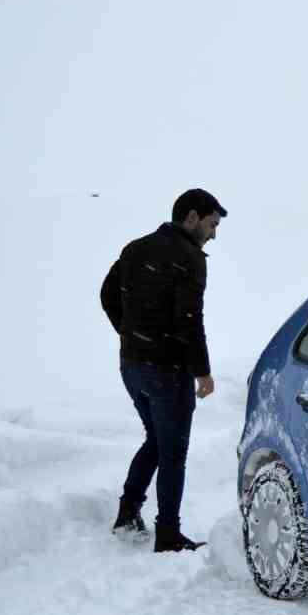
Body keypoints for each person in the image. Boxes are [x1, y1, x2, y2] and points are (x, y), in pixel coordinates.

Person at [99, 188, 225, 552]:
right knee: (172, 452)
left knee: (156, 440)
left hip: (132, 367)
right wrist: (202, 371)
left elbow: (107, 295)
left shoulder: (135, 248)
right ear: (191, 217)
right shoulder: (189, 258)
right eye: (211, 224)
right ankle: (167, 534)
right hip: (167, 372)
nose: (214, 233)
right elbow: (189, 320)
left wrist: (133, 336)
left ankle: (127, 512)